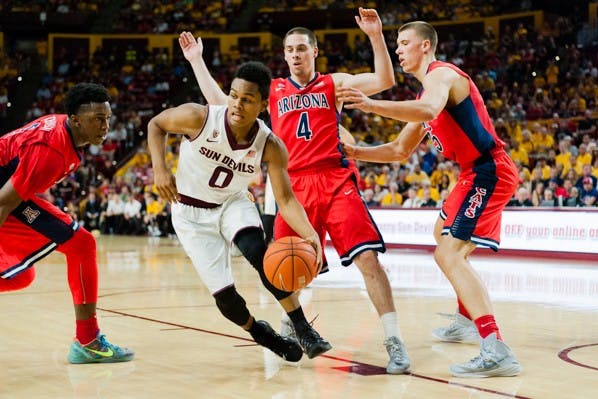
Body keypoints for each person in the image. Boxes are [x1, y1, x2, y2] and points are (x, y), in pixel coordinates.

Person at [179, 6, 411, 375]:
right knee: (284, 266)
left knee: (368, 259)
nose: (295, 55)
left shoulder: (334, 83)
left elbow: (384, 78)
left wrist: (375, 36)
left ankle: (394, 339)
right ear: (284, 55)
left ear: (314, 51)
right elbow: (222, 103)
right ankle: (294, 325)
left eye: (302, 48)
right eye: (289, 50)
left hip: (335, 178)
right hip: (293, 185)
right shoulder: (272, 92)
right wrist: (196, 61)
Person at [337, 21, 521, 378]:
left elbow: (428, 110)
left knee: (448, 253)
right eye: (397, 44)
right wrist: (353, 151)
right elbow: (397, 150)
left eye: (404, 43)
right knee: (443, 236)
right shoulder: (424, 98)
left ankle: (496, 347)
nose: (399, 50)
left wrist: (371, 105)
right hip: (472, 173)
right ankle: (468, 319)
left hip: (489, 170)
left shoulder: (442, 77)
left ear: (425, 46)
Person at [147, 61, 331, 362]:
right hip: (190, 214)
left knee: (261, 254)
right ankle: (261, 332)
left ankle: (303, 327)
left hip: (232, 202)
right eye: (233, 95)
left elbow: (285, 200)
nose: (237, 104)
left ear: (261, 105)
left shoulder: (270, 145)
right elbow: (156, 124)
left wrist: (310, 234)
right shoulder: (199, 118)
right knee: (226, 299)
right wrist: (160, 168)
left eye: (246, 99)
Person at [0, 82, 134, 364]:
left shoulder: (65, 133)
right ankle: (88, 340)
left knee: (20, 275)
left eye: (107, 118)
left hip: (8, 193)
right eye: (97, 119)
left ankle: (87, 340)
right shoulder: (53, 150)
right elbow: (4, 201)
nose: (105, 125)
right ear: (75, 120)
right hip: (3, 196)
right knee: (81, 244)